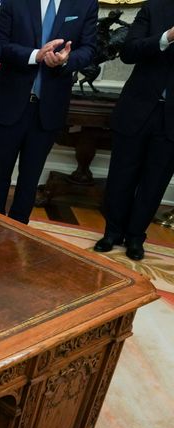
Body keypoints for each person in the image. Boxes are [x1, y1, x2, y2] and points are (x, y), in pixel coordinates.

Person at [0, 0, 97, 223]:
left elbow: (89, 48)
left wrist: (66, 60)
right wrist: (35, 55)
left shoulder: (85, 4)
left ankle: (19, 231)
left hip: (48, 108)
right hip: (9, 103)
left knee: (30, 179)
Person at [94, 3, 174, 261]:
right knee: (121, 173)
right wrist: (167, 37)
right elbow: (128, 51)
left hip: (171, 118)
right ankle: (112, 232)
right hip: (137, 108)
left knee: (155, 181)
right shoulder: (156, 8)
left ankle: (136, 237)